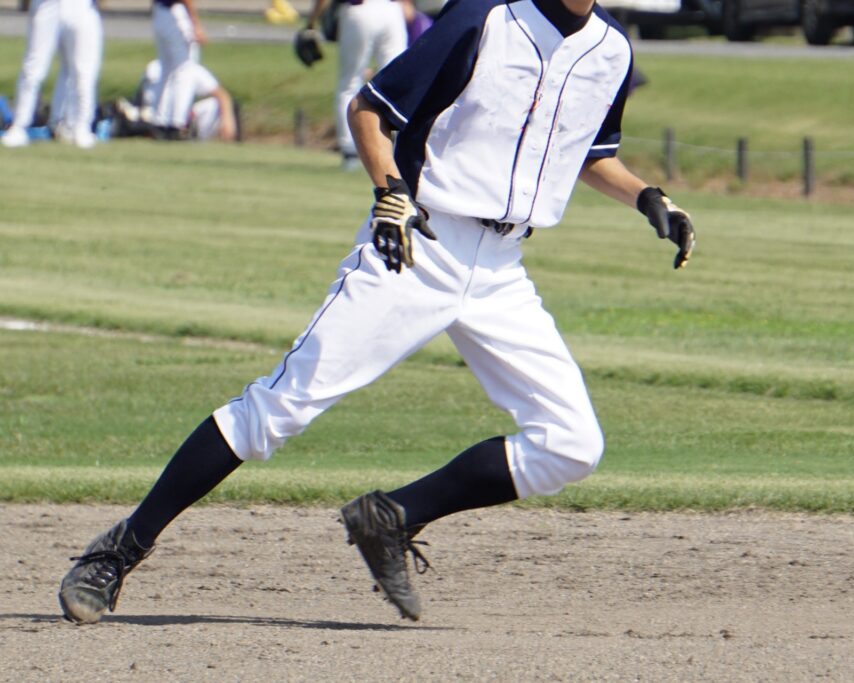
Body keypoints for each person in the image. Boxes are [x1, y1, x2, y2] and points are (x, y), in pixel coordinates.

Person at [57, 0, 696, 625]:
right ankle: (118, 551)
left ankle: (391, 517)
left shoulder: (611, 48)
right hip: (419, 243)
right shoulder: (481, 18)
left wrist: (647, 197)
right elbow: (369, 109)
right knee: (280, 408)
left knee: (572, 443)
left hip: (502, 270)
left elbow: (588, 152)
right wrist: (390, 192)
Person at [300, 0, 407, 169]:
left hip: (360, 9)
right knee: (398, 83)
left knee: (349, 84)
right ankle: (401, 147)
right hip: (392, 11)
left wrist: (310, 24)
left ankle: (350, 152)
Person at [1, 0, 102, 149]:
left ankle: (80, 126)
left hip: (81, 6)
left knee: (83, 71)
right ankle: (19, 126)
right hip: (47, 4)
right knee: (33, 68)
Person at [113, 59, 237, 141]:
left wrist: (227, 120)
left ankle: (189, 137)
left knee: (216, 106)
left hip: (187, 120)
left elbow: (223, 96)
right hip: (154, 116)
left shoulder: (191, 68)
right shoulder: (154, 68)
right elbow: (141, 100)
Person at [151, 0, 206, 140]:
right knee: (185, 71)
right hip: (176, 14)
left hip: (159, 12)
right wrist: (196, 24)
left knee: (166, 71)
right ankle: (178, 124)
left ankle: (160, 121)